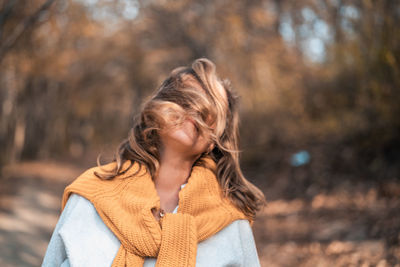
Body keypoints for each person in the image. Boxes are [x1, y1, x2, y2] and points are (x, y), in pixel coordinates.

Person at [42, 58, 266, 267]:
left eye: (210, 107)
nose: (195, 108)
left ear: (213, 142)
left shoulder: (231, 222)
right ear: (159, 109)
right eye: (186, 96)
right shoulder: (91, 194)